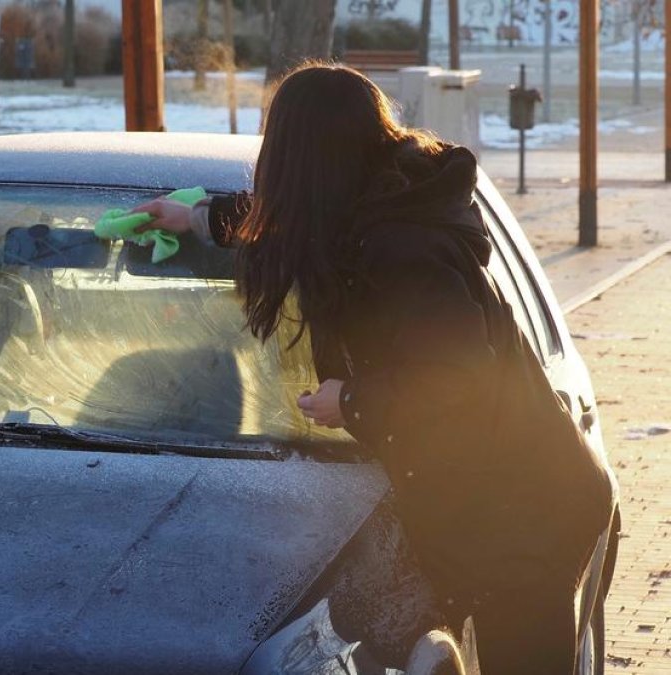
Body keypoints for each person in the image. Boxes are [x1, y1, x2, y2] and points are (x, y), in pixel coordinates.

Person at [132, 63, 614, 674]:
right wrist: (201, 218)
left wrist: (354, 403)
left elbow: (460, 373)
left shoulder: (403, 246)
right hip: (506, 497)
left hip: (525, 515)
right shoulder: (373, 206)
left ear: (301, 155)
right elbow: (303, 223)